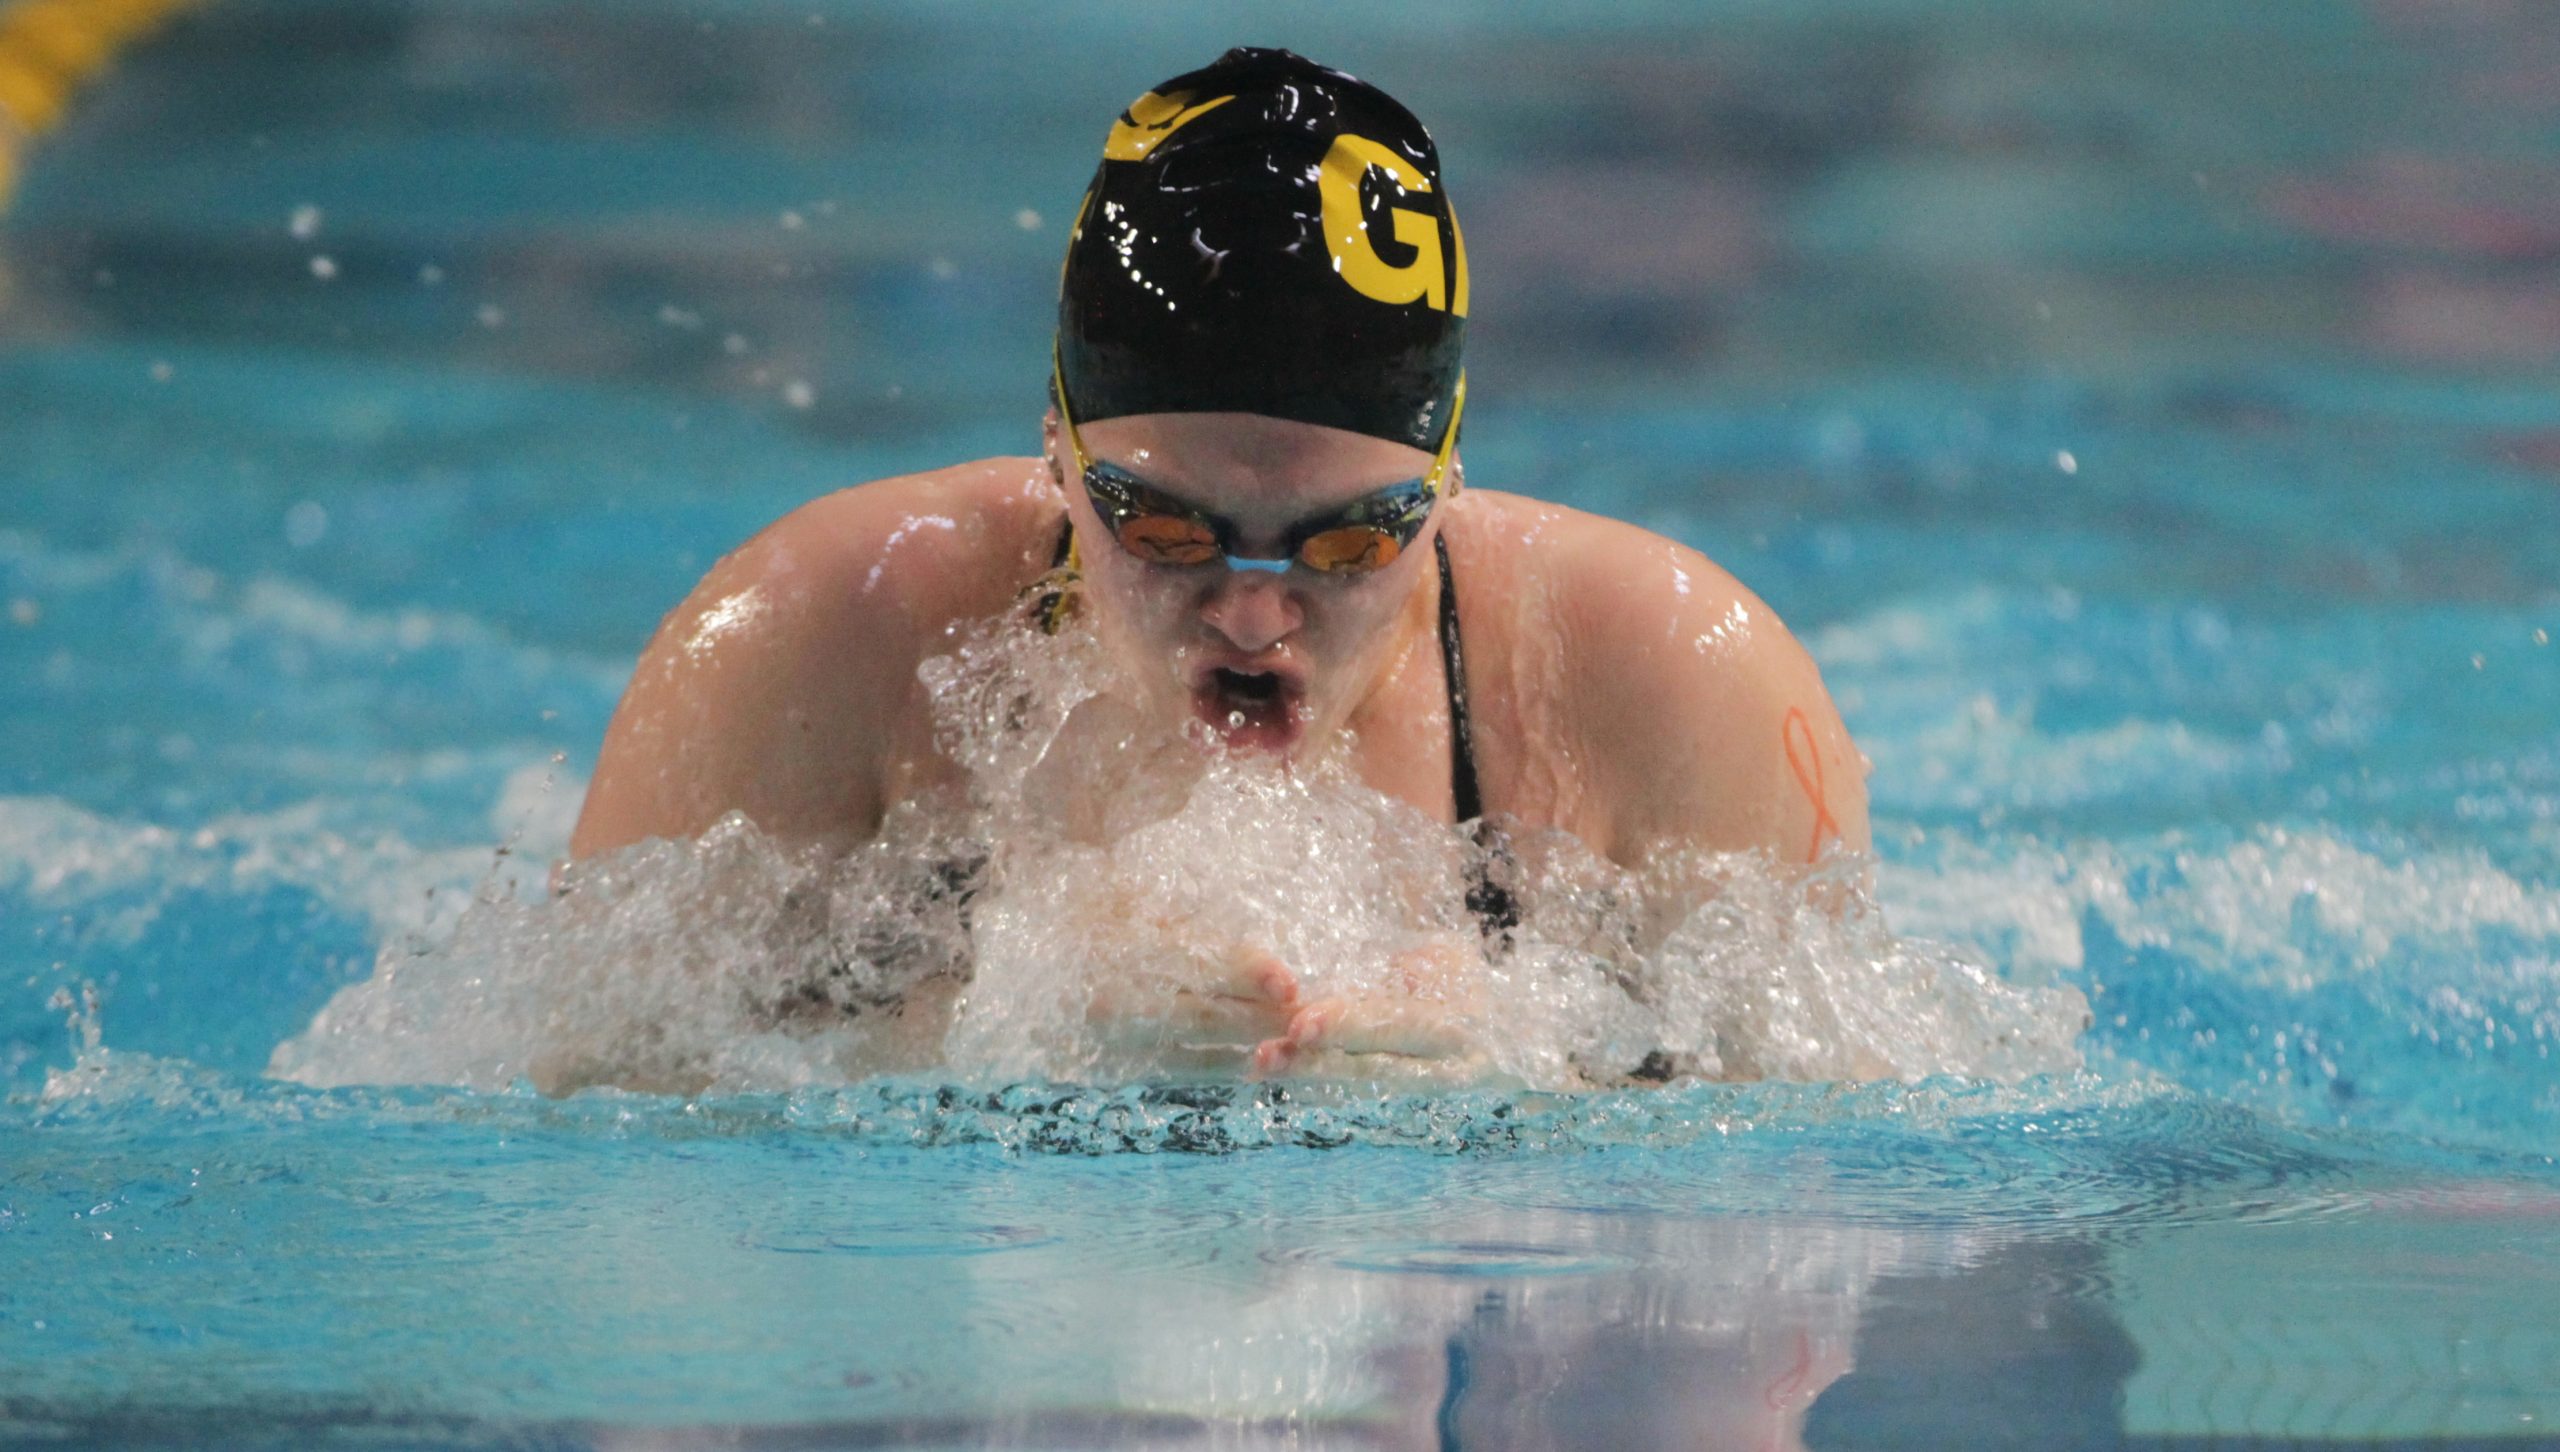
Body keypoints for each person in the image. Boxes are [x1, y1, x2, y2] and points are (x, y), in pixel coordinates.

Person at [568, 48, 1869, 1081]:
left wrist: (1533, 1078)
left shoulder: (1677, 679)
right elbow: (573, 1093)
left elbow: (1854, 1170)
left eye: (1351, 539)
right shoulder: (808, 633)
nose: (1252, 611)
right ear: (1056, 449)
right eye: (1164, 527)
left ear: (1449, 478)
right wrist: (980, 1035)